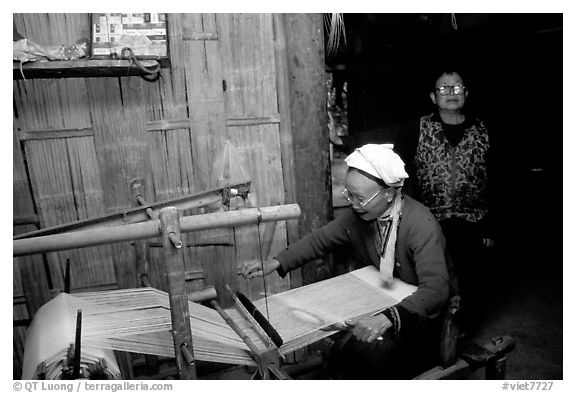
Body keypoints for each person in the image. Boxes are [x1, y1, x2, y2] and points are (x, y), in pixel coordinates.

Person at [241, 144, 451, 379]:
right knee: (345, 350)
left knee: (367, 359)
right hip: (383, 296)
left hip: (416, 316)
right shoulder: (359, 216)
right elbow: (321, 239)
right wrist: (277, 262)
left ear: (390, 193)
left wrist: (388, 317)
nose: (353, 203)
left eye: (360, 198)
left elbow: (436, 290)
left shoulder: (421, 226)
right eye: (349, 195)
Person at [331, 69, 494, 332]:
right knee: (434, 279)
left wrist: (490, 226)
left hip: (472, 221)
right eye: (443, 89)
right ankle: (433, 332)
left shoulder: (483, 130)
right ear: (433, 97)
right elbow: (385, 135)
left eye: (456, 88)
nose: (450, 93)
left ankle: (462, 332)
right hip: (434, 220)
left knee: (469, 278)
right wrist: (343, 140)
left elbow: (496, 178)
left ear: (466, 93)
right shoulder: (420, 127)